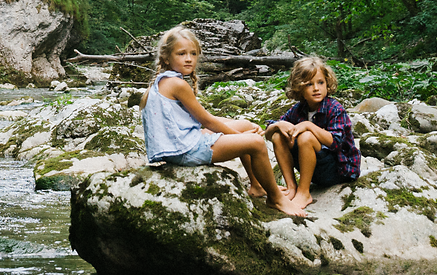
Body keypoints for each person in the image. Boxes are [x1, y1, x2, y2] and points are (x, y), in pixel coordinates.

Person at [141, 26, 305, 214]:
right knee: (256, 142)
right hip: (184, 150)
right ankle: (276, 199)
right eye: (181, 53)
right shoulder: (177, 84)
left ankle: (257, 185)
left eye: (193, 53)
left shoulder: (164, 80)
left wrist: (242, 128)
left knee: (245, 126)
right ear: (166, 57)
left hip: (179, 144)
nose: (188, 59)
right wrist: (239, 136)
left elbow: (202, 118)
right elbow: (207, 121)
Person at [265, 55, 360, 207]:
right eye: (309, 84)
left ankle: (304, 193)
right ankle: (292, 187)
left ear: (327, 84)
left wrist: (309, 126)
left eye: (320, 82)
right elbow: (269, 133)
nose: (316, 88)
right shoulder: (299, 109)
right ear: (299, 89)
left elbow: (336, 142)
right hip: (313, 170)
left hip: (337, 170)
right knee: (278, 135)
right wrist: (278, 125)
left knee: (306, 137)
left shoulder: (335, 108)